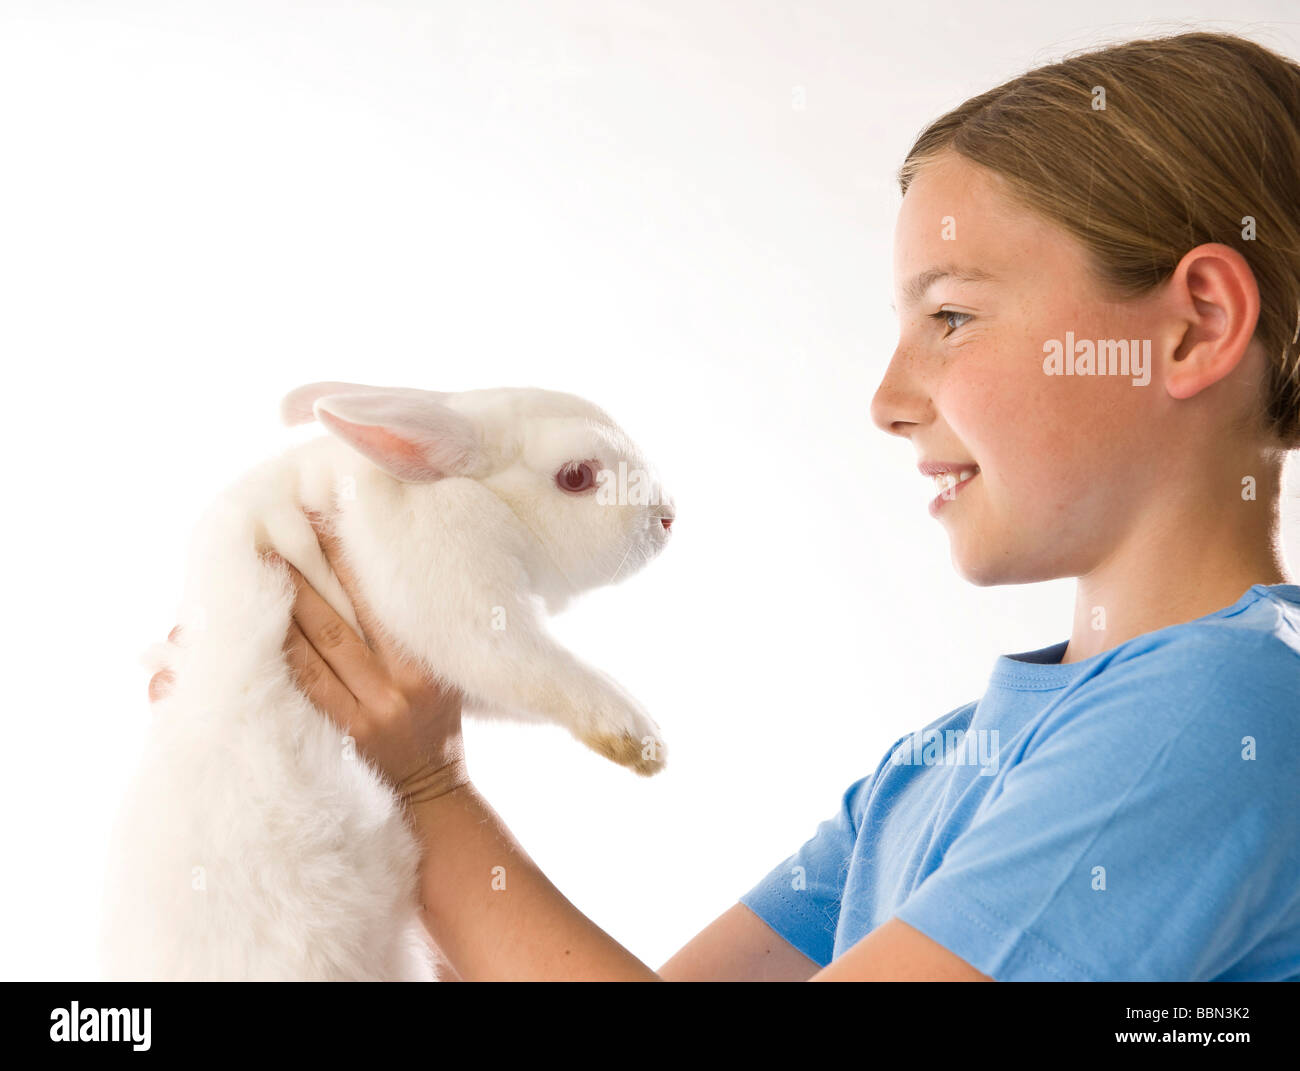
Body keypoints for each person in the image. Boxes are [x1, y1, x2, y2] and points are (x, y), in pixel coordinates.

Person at [150, 30, 1300, 981]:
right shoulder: (940, 765)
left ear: (1195, 324)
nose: (887, 400)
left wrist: (424, 786)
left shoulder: (1225, 712)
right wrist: (353, 769)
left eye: (949, 317)